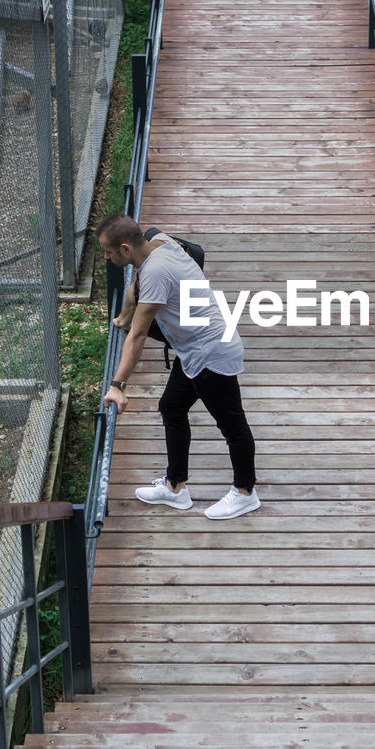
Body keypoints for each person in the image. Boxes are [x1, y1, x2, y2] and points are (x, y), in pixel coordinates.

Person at [97, 214, 260, 521]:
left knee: (233, 427)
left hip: (212, 353)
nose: (106, 258)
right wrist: (124, 313)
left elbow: (139, 335)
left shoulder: (155, 274)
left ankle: (245, 493)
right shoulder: (159, 242)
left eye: (108, 252)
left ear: (125, 248)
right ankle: (175, 487)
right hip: (193, 350)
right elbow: (138, 282)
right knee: (171, 407)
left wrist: (117, 386)